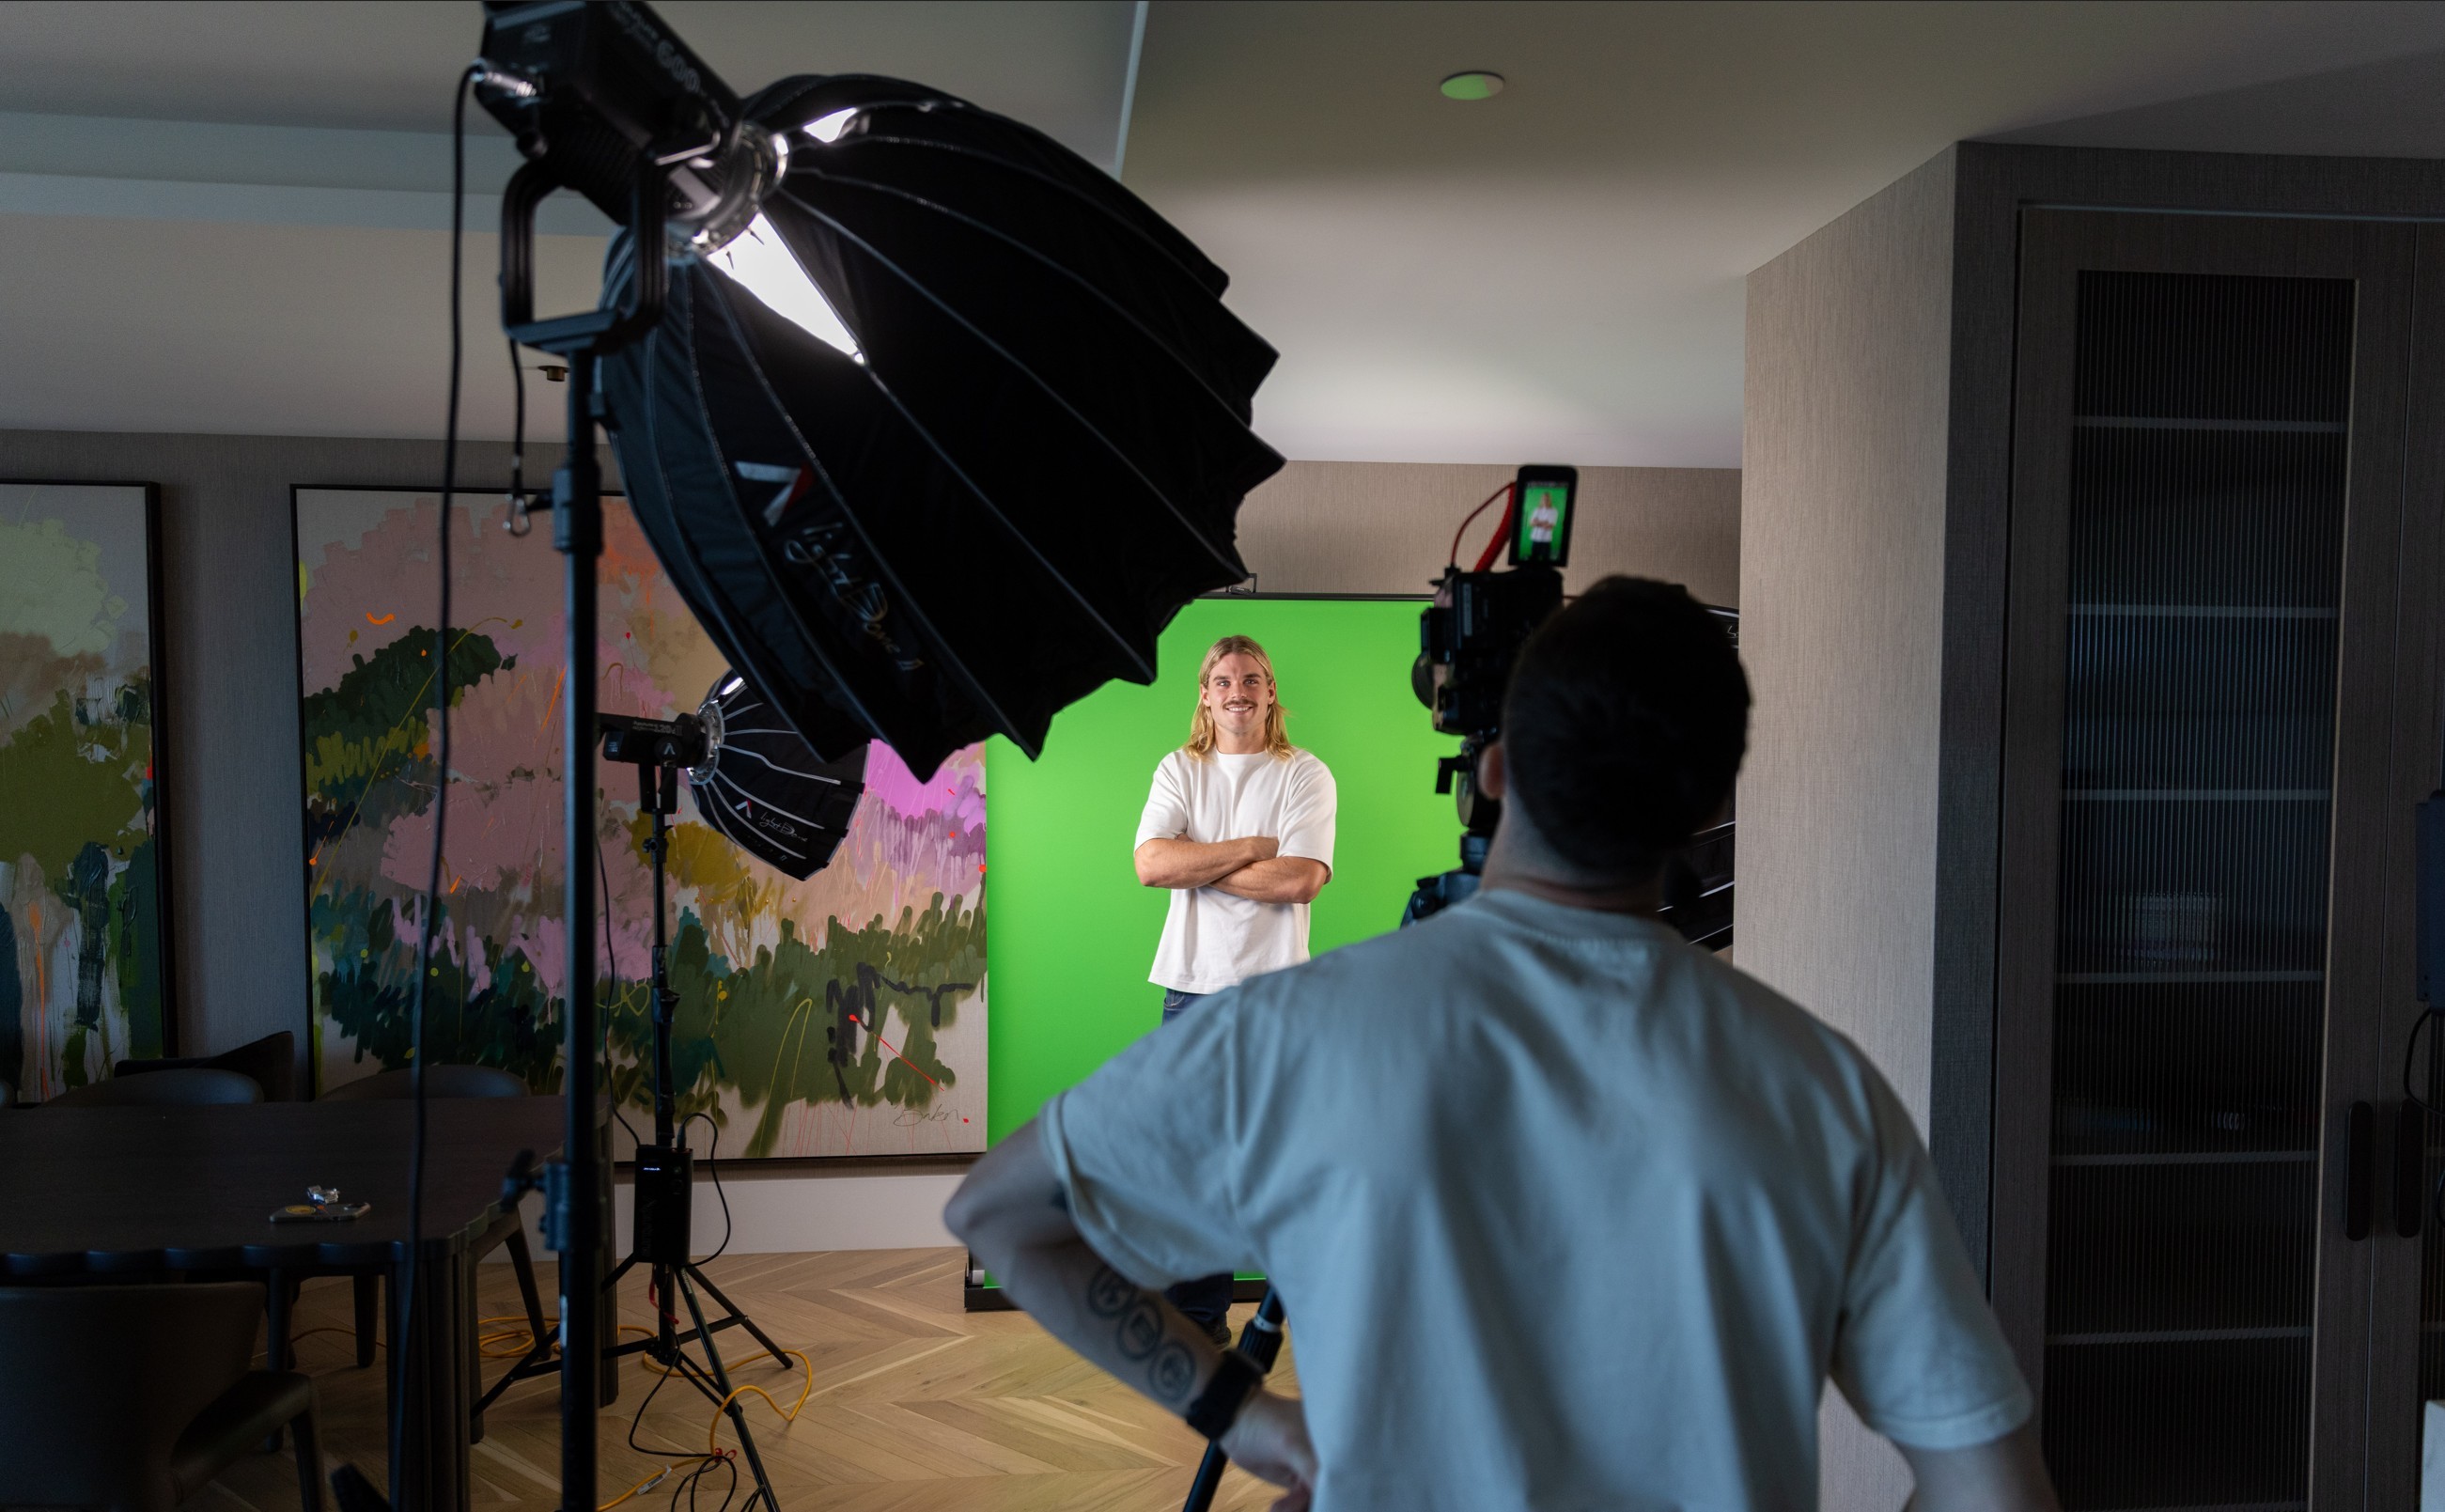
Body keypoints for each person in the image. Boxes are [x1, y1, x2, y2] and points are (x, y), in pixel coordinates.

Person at [948, 579, 2058, 1512]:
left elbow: (1002, 1213)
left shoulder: (1293, 1033)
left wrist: (1247, 1421)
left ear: (1493, 767)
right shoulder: (1824, 1090)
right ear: (1710, 804)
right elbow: (1995, 1488)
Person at [1125, 633, 1336, 1343]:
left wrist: (1199, 862)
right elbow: (1152, 865)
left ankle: (1313, 1311)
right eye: (1223, 680)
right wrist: (1250, 847)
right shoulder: (1179, 769)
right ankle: (1199, 1322)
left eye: (1251, 679)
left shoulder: (1305, 774)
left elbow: (1301, 879)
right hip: (1193, 989)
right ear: (1205, 694)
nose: (1237, 691)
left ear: (1270, 692)